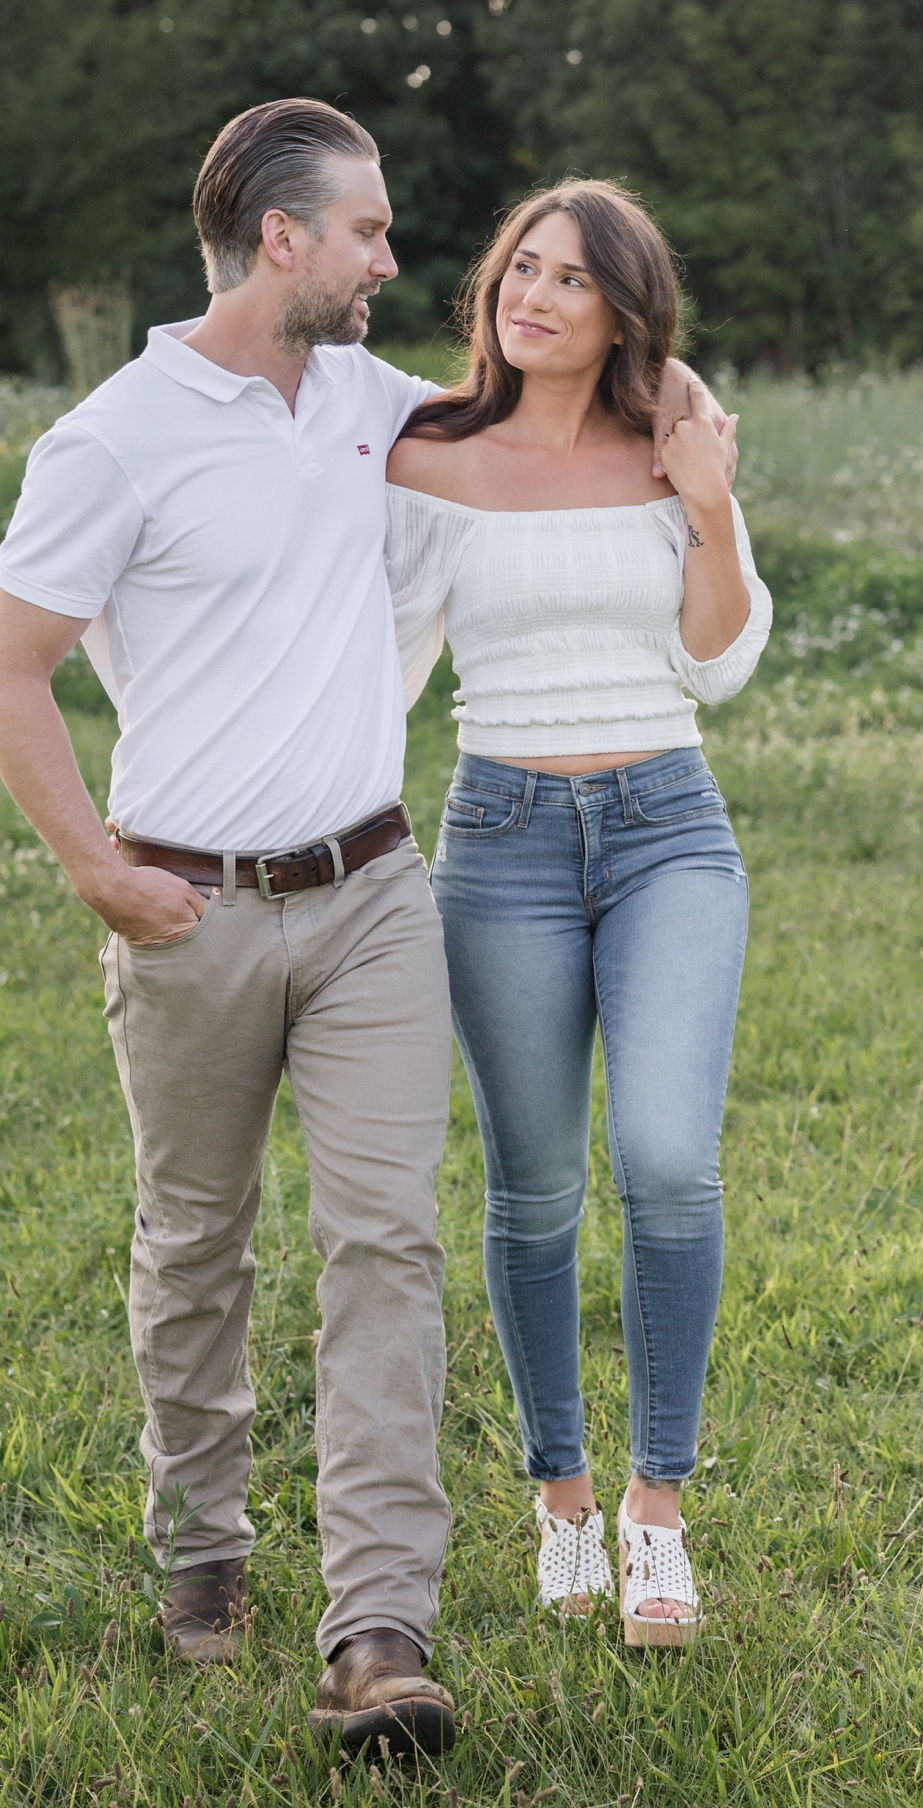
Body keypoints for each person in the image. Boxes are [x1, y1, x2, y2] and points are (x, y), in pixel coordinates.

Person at [0, 102, 724, 1745]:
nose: (401, 261)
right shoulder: (111, 440)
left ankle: (378, 1630)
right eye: (373, 232)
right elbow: (12, 663)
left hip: (382, 894)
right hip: (185, 907)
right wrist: (94, 871)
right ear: (284, 241)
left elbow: (543, 414)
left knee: (385, 1244)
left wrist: (679, 410)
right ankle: (202, 1552)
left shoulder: (370, 401)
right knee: (196, 1243)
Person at [385, 178, 771, 1648]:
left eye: (570, 280)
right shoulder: (428, 453)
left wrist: (713, 506)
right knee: (534, 1189)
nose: (531, 296)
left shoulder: (667, 436)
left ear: (621, 309)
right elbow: (372, 649)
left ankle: (656, 1509)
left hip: (669, 826)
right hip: (501, 839)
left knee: (669, 1163)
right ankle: (558, 1495)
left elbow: (719, 663)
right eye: (518, 269)